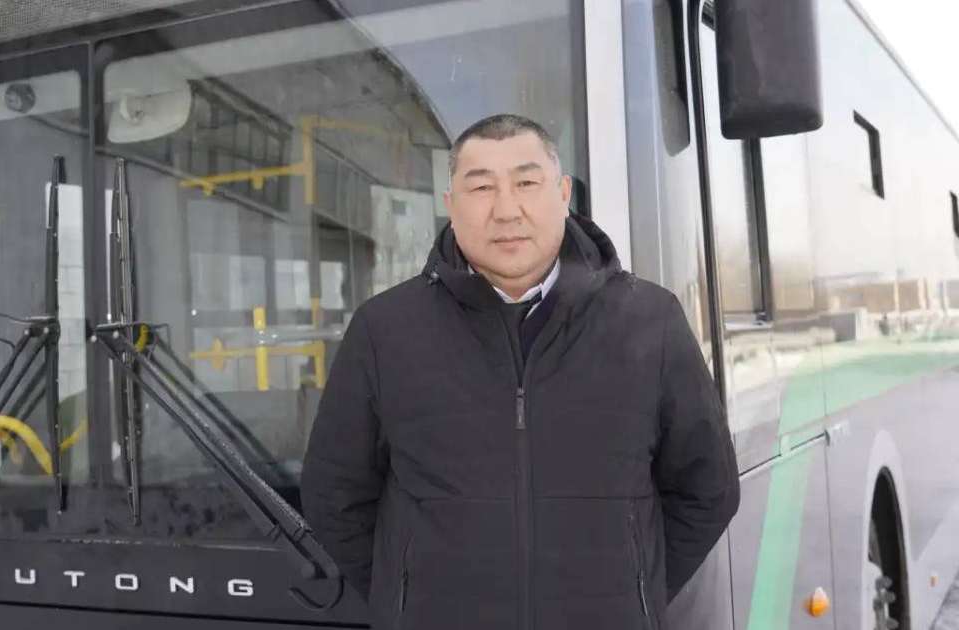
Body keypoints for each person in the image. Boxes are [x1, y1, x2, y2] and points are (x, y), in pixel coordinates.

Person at [301, 113, 739, 629]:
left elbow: (707, 488)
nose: (506, 210)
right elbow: (335, 493)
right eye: (481, 186)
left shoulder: (650, 319)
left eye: (526, 183)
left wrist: (636, 591)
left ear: (562, 193)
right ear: (451, 205)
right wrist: (402, 599)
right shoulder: (385, 328)